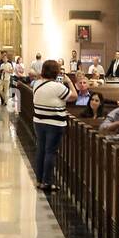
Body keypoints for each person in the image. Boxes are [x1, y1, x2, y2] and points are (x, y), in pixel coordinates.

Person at [32, 60, 77, 192]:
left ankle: (39, 180)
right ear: (56, 72)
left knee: (41, 150)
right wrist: (69, 82)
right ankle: (47, 182)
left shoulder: (37, 84)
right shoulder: (57, 86)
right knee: (50, 152)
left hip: (39, 121)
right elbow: (74, 96)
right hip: (55, 123)